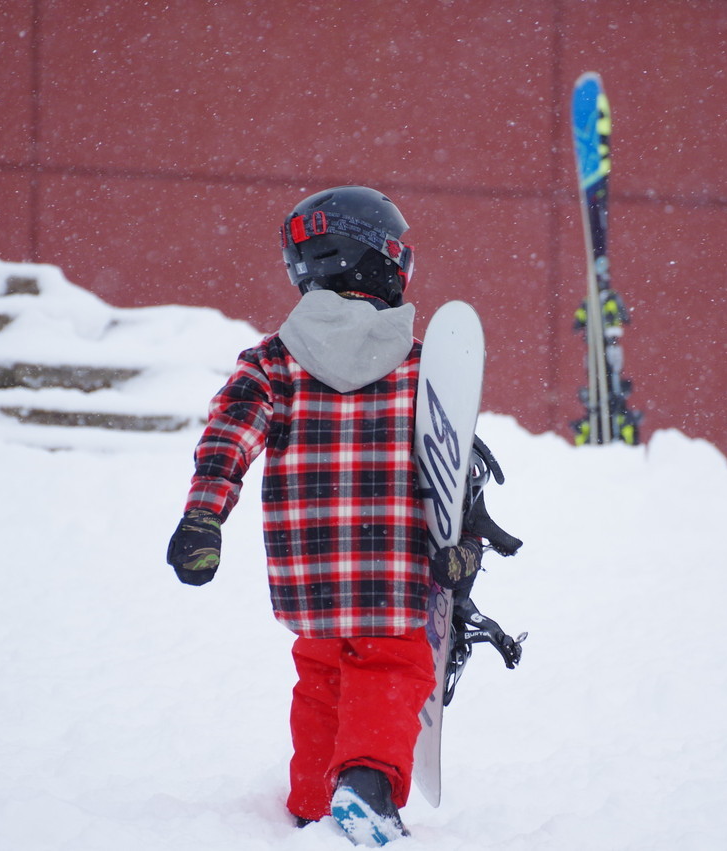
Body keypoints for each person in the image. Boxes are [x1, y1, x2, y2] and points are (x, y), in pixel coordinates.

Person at [166, 185, 482, 845]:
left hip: (310, 581)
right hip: (393, 575)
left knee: (323, 670)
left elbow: (229, 438)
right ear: (386, 262)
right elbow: (448, 472)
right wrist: (461, 547)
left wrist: (203, 517)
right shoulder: (423, 368)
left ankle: (313, 802)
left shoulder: (272, 363)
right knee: (392, 668)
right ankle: (365, 784)